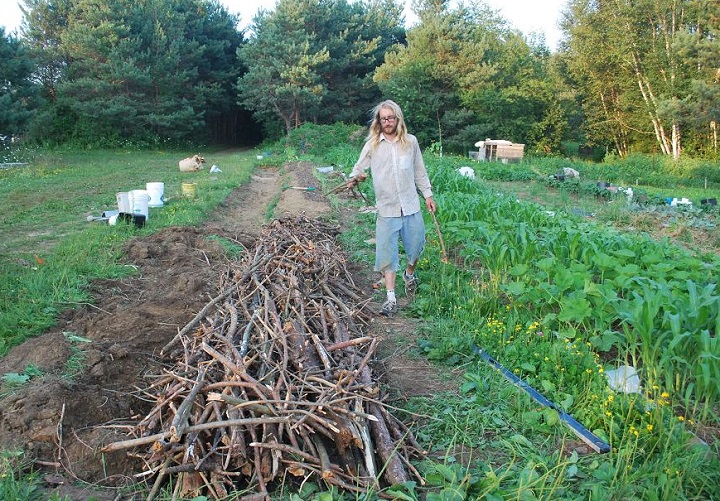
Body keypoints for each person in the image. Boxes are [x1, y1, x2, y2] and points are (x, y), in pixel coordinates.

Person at [347, 100, 437, 316]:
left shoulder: (410, 142)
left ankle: (409, 273)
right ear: (378, 121)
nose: (387, 122)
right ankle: (390, 298)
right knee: (387, 252)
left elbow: (419, 171)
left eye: (391, 118)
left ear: (398, 119)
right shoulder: (372, 144)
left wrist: (428, 195)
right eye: (383, 118)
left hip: (410, 205)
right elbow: (359, 168)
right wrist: (354, 179)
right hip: (387, 208)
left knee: (416, 245)